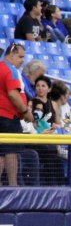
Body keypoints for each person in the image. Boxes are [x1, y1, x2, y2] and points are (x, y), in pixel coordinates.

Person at [0, 43, 33, 186]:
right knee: (11, 153)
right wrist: (25, 112)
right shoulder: (10, 70)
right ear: (11, 54)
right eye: (20, 57)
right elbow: (13, 94)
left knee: (0, 153)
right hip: (8, 117)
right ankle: (13, 188)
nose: (22, 61)